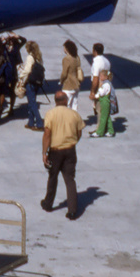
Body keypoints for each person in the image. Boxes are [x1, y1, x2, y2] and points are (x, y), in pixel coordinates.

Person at [41, 91, 84, 220]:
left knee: (53, 177)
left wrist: (44, 152)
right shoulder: (74, 114)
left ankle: (48, 204)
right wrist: (72, 142)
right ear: (65, 101)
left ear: (55, 101)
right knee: (70, 179)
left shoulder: (50, 114)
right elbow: (79, 132)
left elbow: (47, 134)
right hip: (70, 150)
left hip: (55, 151)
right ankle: (72, 210)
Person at [19, 41, 45, 130]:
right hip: (37, 82)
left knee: (32, 104)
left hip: (30, 83)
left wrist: (21, 76)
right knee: (31, 102)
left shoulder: (30, 57)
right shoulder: (39, 57)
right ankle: (30, 122)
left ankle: (39, 123)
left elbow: (27, 70)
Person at [89, 70, 116, 138]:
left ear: (106, 77)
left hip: (104, 102)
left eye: (101, 76)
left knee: (103, 117)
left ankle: (100, 132)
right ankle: (111, 131)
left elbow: (101, 93)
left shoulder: (106, 85)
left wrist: (100, 86)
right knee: (107, 116)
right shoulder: (106, 83)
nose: (100, 77)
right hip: (103, 101)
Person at [88, 43, 110, 121]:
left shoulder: (97, 62)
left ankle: (100, 128)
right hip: (107, 86)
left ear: (95, 51)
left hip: (99, 87)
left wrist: (92, 92)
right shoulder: (107, 61)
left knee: (98, 108)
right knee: (104, 108)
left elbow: (95, 78)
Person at [60, 40, 82, 110]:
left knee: (66, 105)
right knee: (74, 105)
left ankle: (68, 120)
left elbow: (64, 73)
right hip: (76, 84)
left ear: (67, 49)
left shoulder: (66, 59)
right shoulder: (77, 58)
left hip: (68, 84)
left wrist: (61, 81)